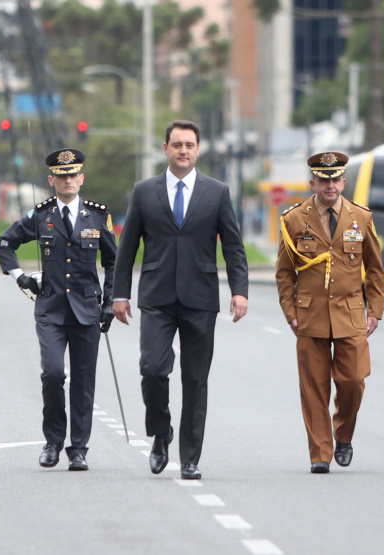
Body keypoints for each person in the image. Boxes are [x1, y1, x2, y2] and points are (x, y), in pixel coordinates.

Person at [112, 120, 249, 480]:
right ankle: (161, 431)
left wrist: (239, 290)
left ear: (198, 149)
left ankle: (190, 457)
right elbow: (127, 250)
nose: (183, 150)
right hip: (156, 296)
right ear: (166, 149)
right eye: (177, 145)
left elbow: (233, 246)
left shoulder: (217, 192)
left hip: (200, 298)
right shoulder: (144, 191)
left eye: (189, 145)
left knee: (195, 379)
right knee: (153, 369)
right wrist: (119, 293)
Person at [0, 148, 117, 471]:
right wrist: (20, 277)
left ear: (82, 178)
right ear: (52, 180)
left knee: (83, 381)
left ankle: (78, 449)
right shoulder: (41, 215)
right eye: (61, 176)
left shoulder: (97, 216)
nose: (68, 181)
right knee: (52, 373)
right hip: (50, 309)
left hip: (87, 311)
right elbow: (4, 243)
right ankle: (53, 441)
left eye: (73, 175)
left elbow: (113, 261)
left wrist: (109, 302)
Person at [275, 151, 384, 474]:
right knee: (314, 388)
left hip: (351, 314)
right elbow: (284, 272)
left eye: (335, 179)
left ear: (343, 181)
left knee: (353, 380)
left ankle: (343, 434)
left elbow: (375, 270)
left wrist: (374, 310)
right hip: (309, 316)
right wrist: (290, 310)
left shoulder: (360, 218)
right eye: (324, 180)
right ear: (313, 182)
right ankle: (320, 454)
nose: (330, 186)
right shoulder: (294, 219)